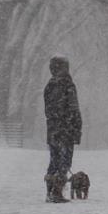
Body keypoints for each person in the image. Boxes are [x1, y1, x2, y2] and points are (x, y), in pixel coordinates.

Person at [43, 56, 82, 203]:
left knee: (54, 160)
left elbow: (48, 111)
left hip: (53, 130)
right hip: (66, 130)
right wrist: (76, 128)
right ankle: (57, 192)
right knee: (64, 162)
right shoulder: (67, 85)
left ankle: (49, 190)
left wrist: (55, 123)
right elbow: (73, 109)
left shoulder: (49, 86)